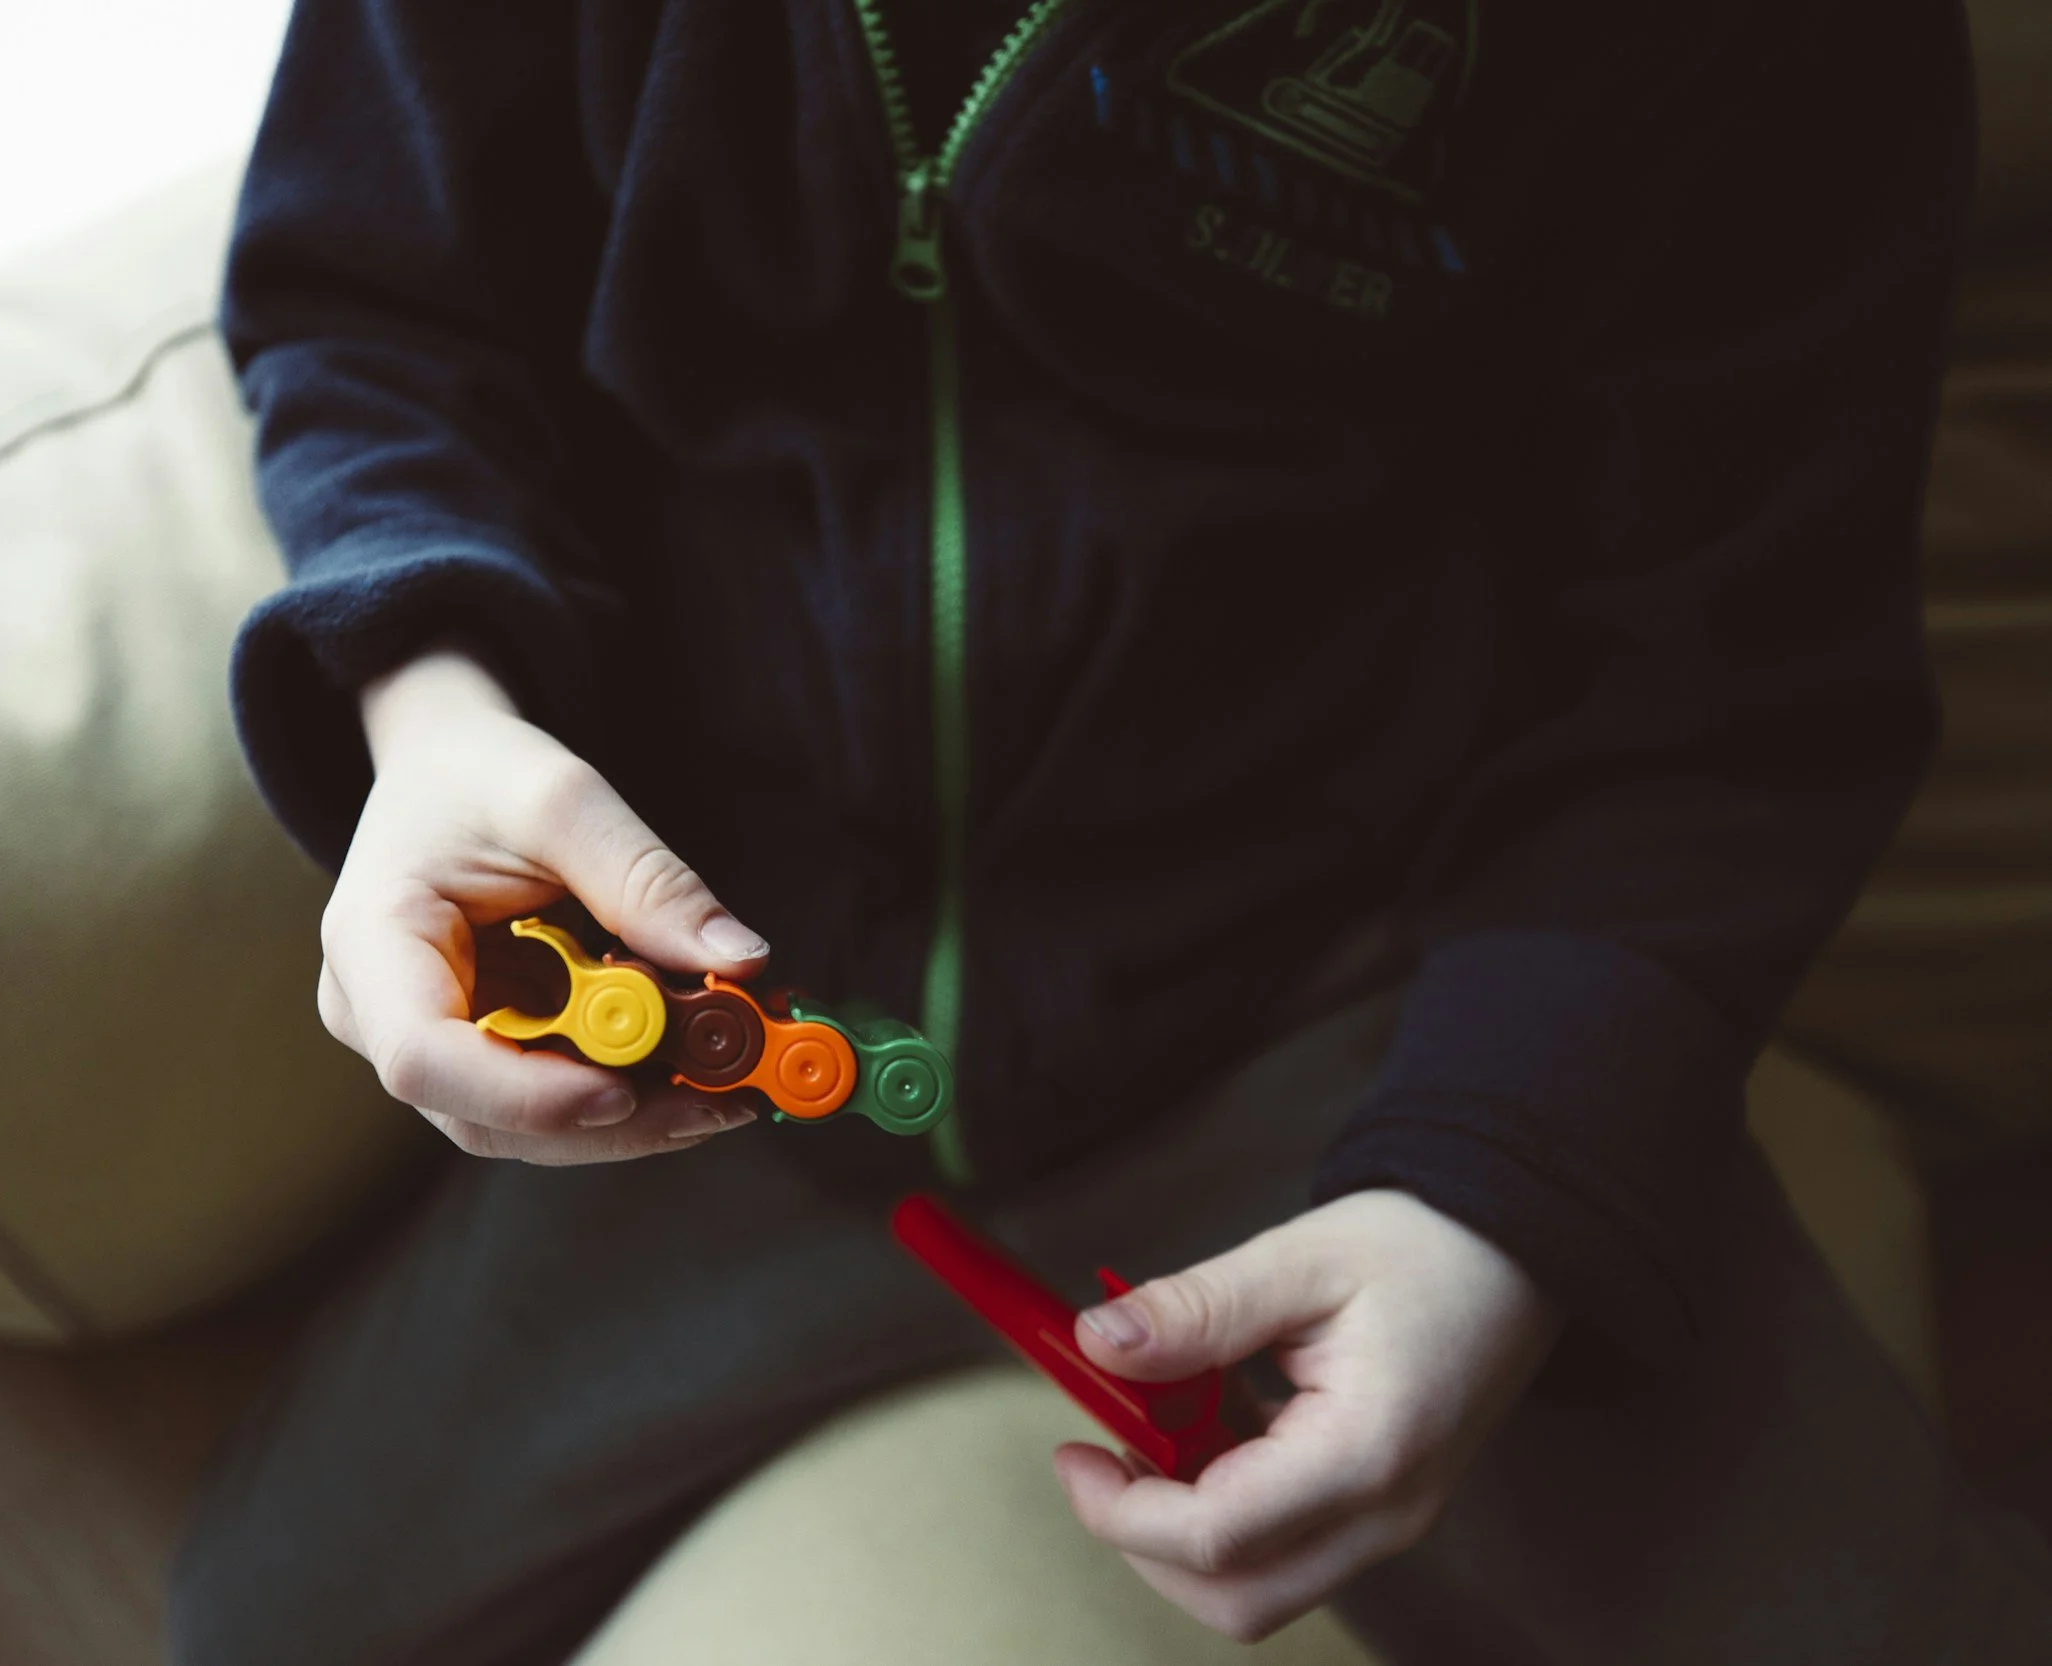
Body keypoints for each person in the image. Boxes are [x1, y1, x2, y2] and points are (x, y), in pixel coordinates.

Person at [171, 1, 2052, 1661]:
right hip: (720, 1046)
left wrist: (1504, 1192)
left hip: (1368, 1019)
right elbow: (373, 308)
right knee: (263, 1627)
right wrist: (431, 706)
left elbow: (1729, 695)